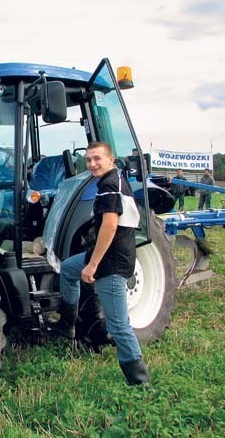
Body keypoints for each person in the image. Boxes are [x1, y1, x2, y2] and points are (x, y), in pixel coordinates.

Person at [54, 141, 150, 385]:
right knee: (67, 269)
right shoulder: (114, 180)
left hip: (112, 263)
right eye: (88, 160)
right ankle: (68, 327)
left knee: (118, 325)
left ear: (110, 159)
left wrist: (93, 264)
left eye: (97, 159)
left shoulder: (109, 185)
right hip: (109, 254)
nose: (92, 164)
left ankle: (140, 382)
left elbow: (110, 225)